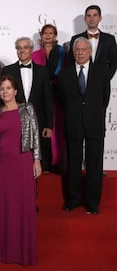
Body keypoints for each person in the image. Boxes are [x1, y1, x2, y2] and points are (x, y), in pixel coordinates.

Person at [0, 75, 42, 266]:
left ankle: (20, 251)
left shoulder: (27, 109)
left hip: (23, 163)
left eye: (8, 88)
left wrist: (37, 160)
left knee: (21, 206)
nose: (5, 92)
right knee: (1, 206)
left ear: (16, 91)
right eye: (2, 89)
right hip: (1, 166)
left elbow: (35, 136)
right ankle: (0, 249)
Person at [59, 37, 111, 215]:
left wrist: (91, 113)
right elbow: (63, 101)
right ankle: (72, 200)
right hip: (73, 124)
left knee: (94, 166)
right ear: (73, 52)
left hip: (94, 124)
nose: (80, 52)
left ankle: (92, 203)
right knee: (73, 164)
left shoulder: (101, 72)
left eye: (83, 49)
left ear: (90, 52)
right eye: (77, 50)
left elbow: (105, 98)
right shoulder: (64, 74)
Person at [3, 37, 53, 172]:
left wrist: (49, 125)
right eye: (19, 48)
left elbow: (48, 99)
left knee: (35, 163)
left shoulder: (43, 71)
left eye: (25, 47)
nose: (22, 50)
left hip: (38, 121)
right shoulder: (7, 70)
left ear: (31, 50)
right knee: (15, 159)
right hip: (14, 121)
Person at [32, 24, 66, 172]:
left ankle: (57, 161)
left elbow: (62, 72)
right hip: (40, 96)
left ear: (55, 36)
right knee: (40, 126)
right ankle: (43, 161)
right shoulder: (35, 54)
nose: (48, 36)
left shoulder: (62, 53)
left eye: (51, 33)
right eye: (45, 33)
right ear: (41, 35)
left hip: (57, 94)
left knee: (56, 126)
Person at [68, 5, 117, 79]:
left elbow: (114, 62)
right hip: (81, 82)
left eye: (95, 15)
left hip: (102, 84)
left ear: (100, 18)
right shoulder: (75, 39)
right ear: (85, 19)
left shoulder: (109, 39)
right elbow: (71, 61)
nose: (92, 19)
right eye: (89, 16)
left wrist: (106, 78)